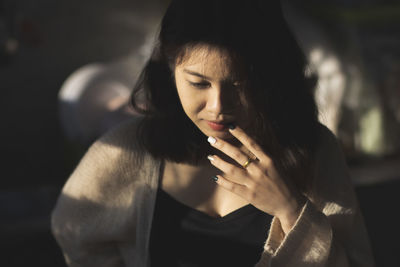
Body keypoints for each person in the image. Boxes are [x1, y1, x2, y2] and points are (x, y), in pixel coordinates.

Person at [51, 0, 375, 266]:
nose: (218, 106)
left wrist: (291, 210)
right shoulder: (129, 151)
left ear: (271, 76)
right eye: (199, 83)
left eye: (240, 85)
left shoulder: (315, 151)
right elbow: (75, 234)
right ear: (169, 69)